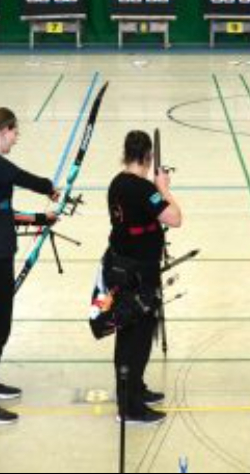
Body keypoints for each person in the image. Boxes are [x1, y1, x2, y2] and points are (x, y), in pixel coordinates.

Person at [0, 108, 59, 425]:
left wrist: (40, 218)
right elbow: (22, 177)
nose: (16, 139)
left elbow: (0, 211)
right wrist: (49, 186)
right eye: (15, 132)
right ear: (3, 129)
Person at [104, 130, 182, 426]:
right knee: (138, 336)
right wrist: (163, 188)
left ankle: (132, 389)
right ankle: (130, 408)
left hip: (122, 268)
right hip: (141, 273)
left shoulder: (117, 184)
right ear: (148, 157)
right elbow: (175, 218)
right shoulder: (143, 189)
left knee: (128, 331)